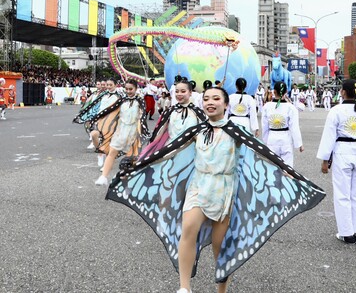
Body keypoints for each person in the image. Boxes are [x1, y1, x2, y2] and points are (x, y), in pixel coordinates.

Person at [106, 86, 325, 293]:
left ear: (226, 104)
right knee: (188, 228)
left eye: (216, 99)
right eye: (207, 99)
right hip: (199, 187)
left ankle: (222, 290)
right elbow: (168, 151)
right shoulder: (197, 130)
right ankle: (184, 287)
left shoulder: (236, 130)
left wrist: (288, 172)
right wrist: (138, 164)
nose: (210, 102)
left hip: (224, 191)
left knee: (220, 247)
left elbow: (262, 152)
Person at [316, 79, 356, 244]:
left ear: (342, 92)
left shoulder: (336, 111)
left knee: (342, 194)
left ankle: (346, 232)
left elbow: (329, 136)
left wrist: (325, 160)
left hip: (343, 151)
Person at [94, 79, 149, 186]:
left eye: (131, 89)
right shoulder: (122, 100)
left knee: (131, 158)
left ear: (136, 89)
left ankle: (127, 183)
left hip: (133, 132)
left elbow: (143, 117)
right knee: (112, 153)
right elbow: (110, 110)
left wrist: (143, 131)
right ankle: (103, 177)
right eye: (126, 89)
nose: (128, 91)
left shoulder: (140, 101)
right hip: (121, 130)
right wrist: (98, 118)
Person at [140, 79, 207, 158]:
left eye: (183, 91)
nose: (179, 94)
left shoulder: (197, 112)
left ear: (190, 92)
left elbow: (204, 134)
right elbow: (160, 131)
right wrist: (152, 148)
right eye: (177, 91)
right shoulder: (170, 111)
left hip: (190, 153)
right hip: (170, 151)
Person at [261, 81, 304, 167]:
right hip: (286, 139)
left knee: (272, 167)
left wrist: (265, 140)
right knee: (287, 169)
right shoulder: (291, 108)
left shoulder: (267, 106)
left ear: (274, 92)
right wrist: (299, 144)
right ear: (286, 92)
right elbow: (294, 127)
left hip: (272, 138)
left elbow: (264, 126)